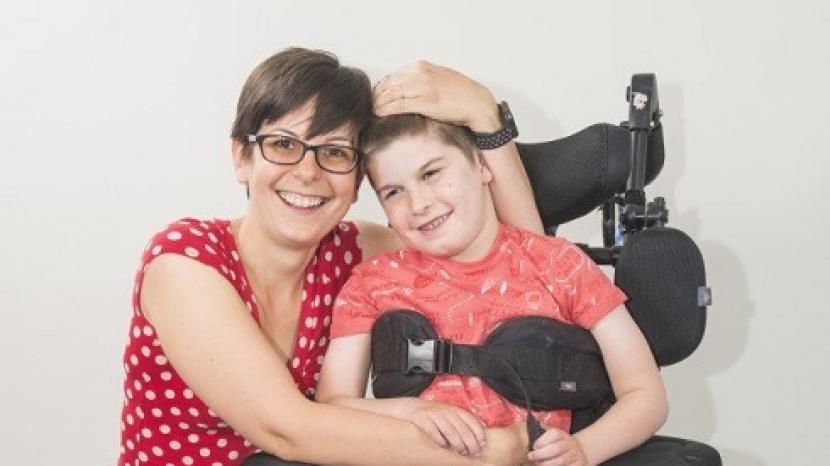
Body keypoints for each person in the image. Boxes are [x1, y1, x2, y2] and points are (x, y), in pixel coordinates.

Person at [119, 47, 541, 466]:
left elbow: (525, 263)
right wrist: (493, 451)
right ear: (242, 158)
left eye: (335, 152)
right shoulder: (183, 261)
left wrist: (485, 117)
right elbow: (286, 430)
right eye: (283, 144)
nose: (308, 172)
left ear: (358, 182)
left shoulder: (356, 255)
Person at [316, 115, 669, 466]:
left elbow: (645, 395)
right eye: (393, 192)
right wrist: (408, 411)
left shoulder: (560, 265)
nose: (418, 203)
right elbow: (332, 406)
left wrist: (585, 449)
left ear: (482, 165)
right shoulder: (372, 282)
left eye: (431, 173)